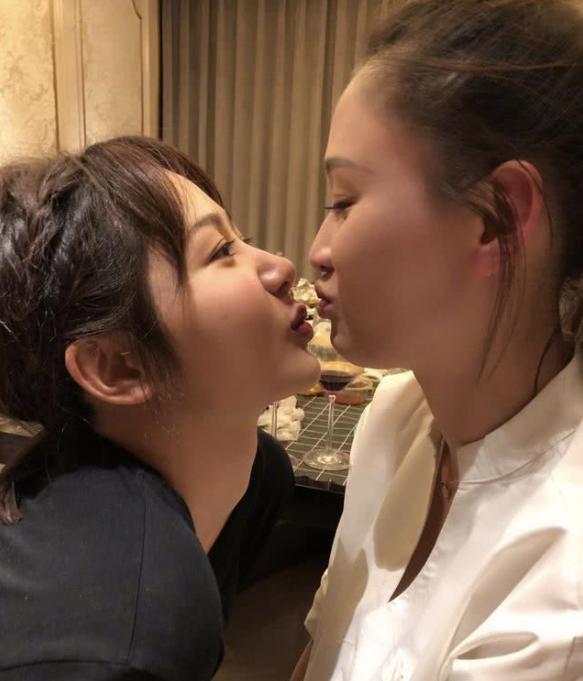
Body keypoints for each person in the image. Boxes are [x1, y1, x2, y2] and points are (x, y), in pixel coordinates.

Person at [292, 1, 583, 679]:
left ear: (494, 218)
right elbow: (321, 648)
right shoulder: (394, 417)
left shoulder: (559, 579)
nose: (317, 251)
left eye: (343, 201)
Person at [0, 136, 319, 680]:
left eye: (243, 239)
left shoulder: (259, 478)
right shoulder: (120, 636)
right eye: (221, 252)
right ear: (118, 367)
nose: (282, 266)